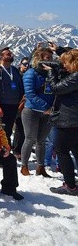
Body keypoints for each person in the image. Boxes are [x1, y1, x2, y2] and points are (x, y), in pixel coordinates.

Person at [43, 49, 78, 195]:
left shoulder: (76, 77)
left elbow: (56, 88)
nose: (64, 65)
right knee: (76, 150)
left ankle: (70, 186)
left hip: (69, 119)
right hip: (74, 119)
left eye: (65, 63)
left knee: (62, 151)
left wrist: (51, 72)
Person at [19, 48, 55, 177]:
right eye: (47, 58)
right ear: (39, 59)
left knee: (42, 140)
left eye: (50, 57)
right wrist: (46, 106)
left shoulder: (51, 73)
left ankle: (41, 167)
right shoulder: (31, 73)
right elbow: (30, 94)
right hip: (32, 111)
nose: (49, 60)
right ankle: (24, 166)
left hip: (47, 112)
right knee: (30, 139)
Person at [0, 47, 24, 146]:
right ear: (1, 57)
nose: (11, 55)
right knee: (2, 129)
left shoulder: (14, 70)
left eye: (11, 54)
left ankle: (6, 149)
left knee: (8, 129)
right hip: (3, 105)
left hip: (15, 105)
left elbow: (20, 86)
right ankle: (1, 150)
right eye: (8, 54)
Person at [12, 57, 30, 159]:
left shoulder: (28, 76)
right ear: (20, 65)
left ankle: (21, 149)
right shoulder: (17, 75)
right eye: (24, 64)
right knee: (19, 127)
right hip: (18, 104)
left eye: (28, 64)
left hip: (26, 104)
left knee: (24, 129)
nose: (26, 66)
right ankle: (16, 149)